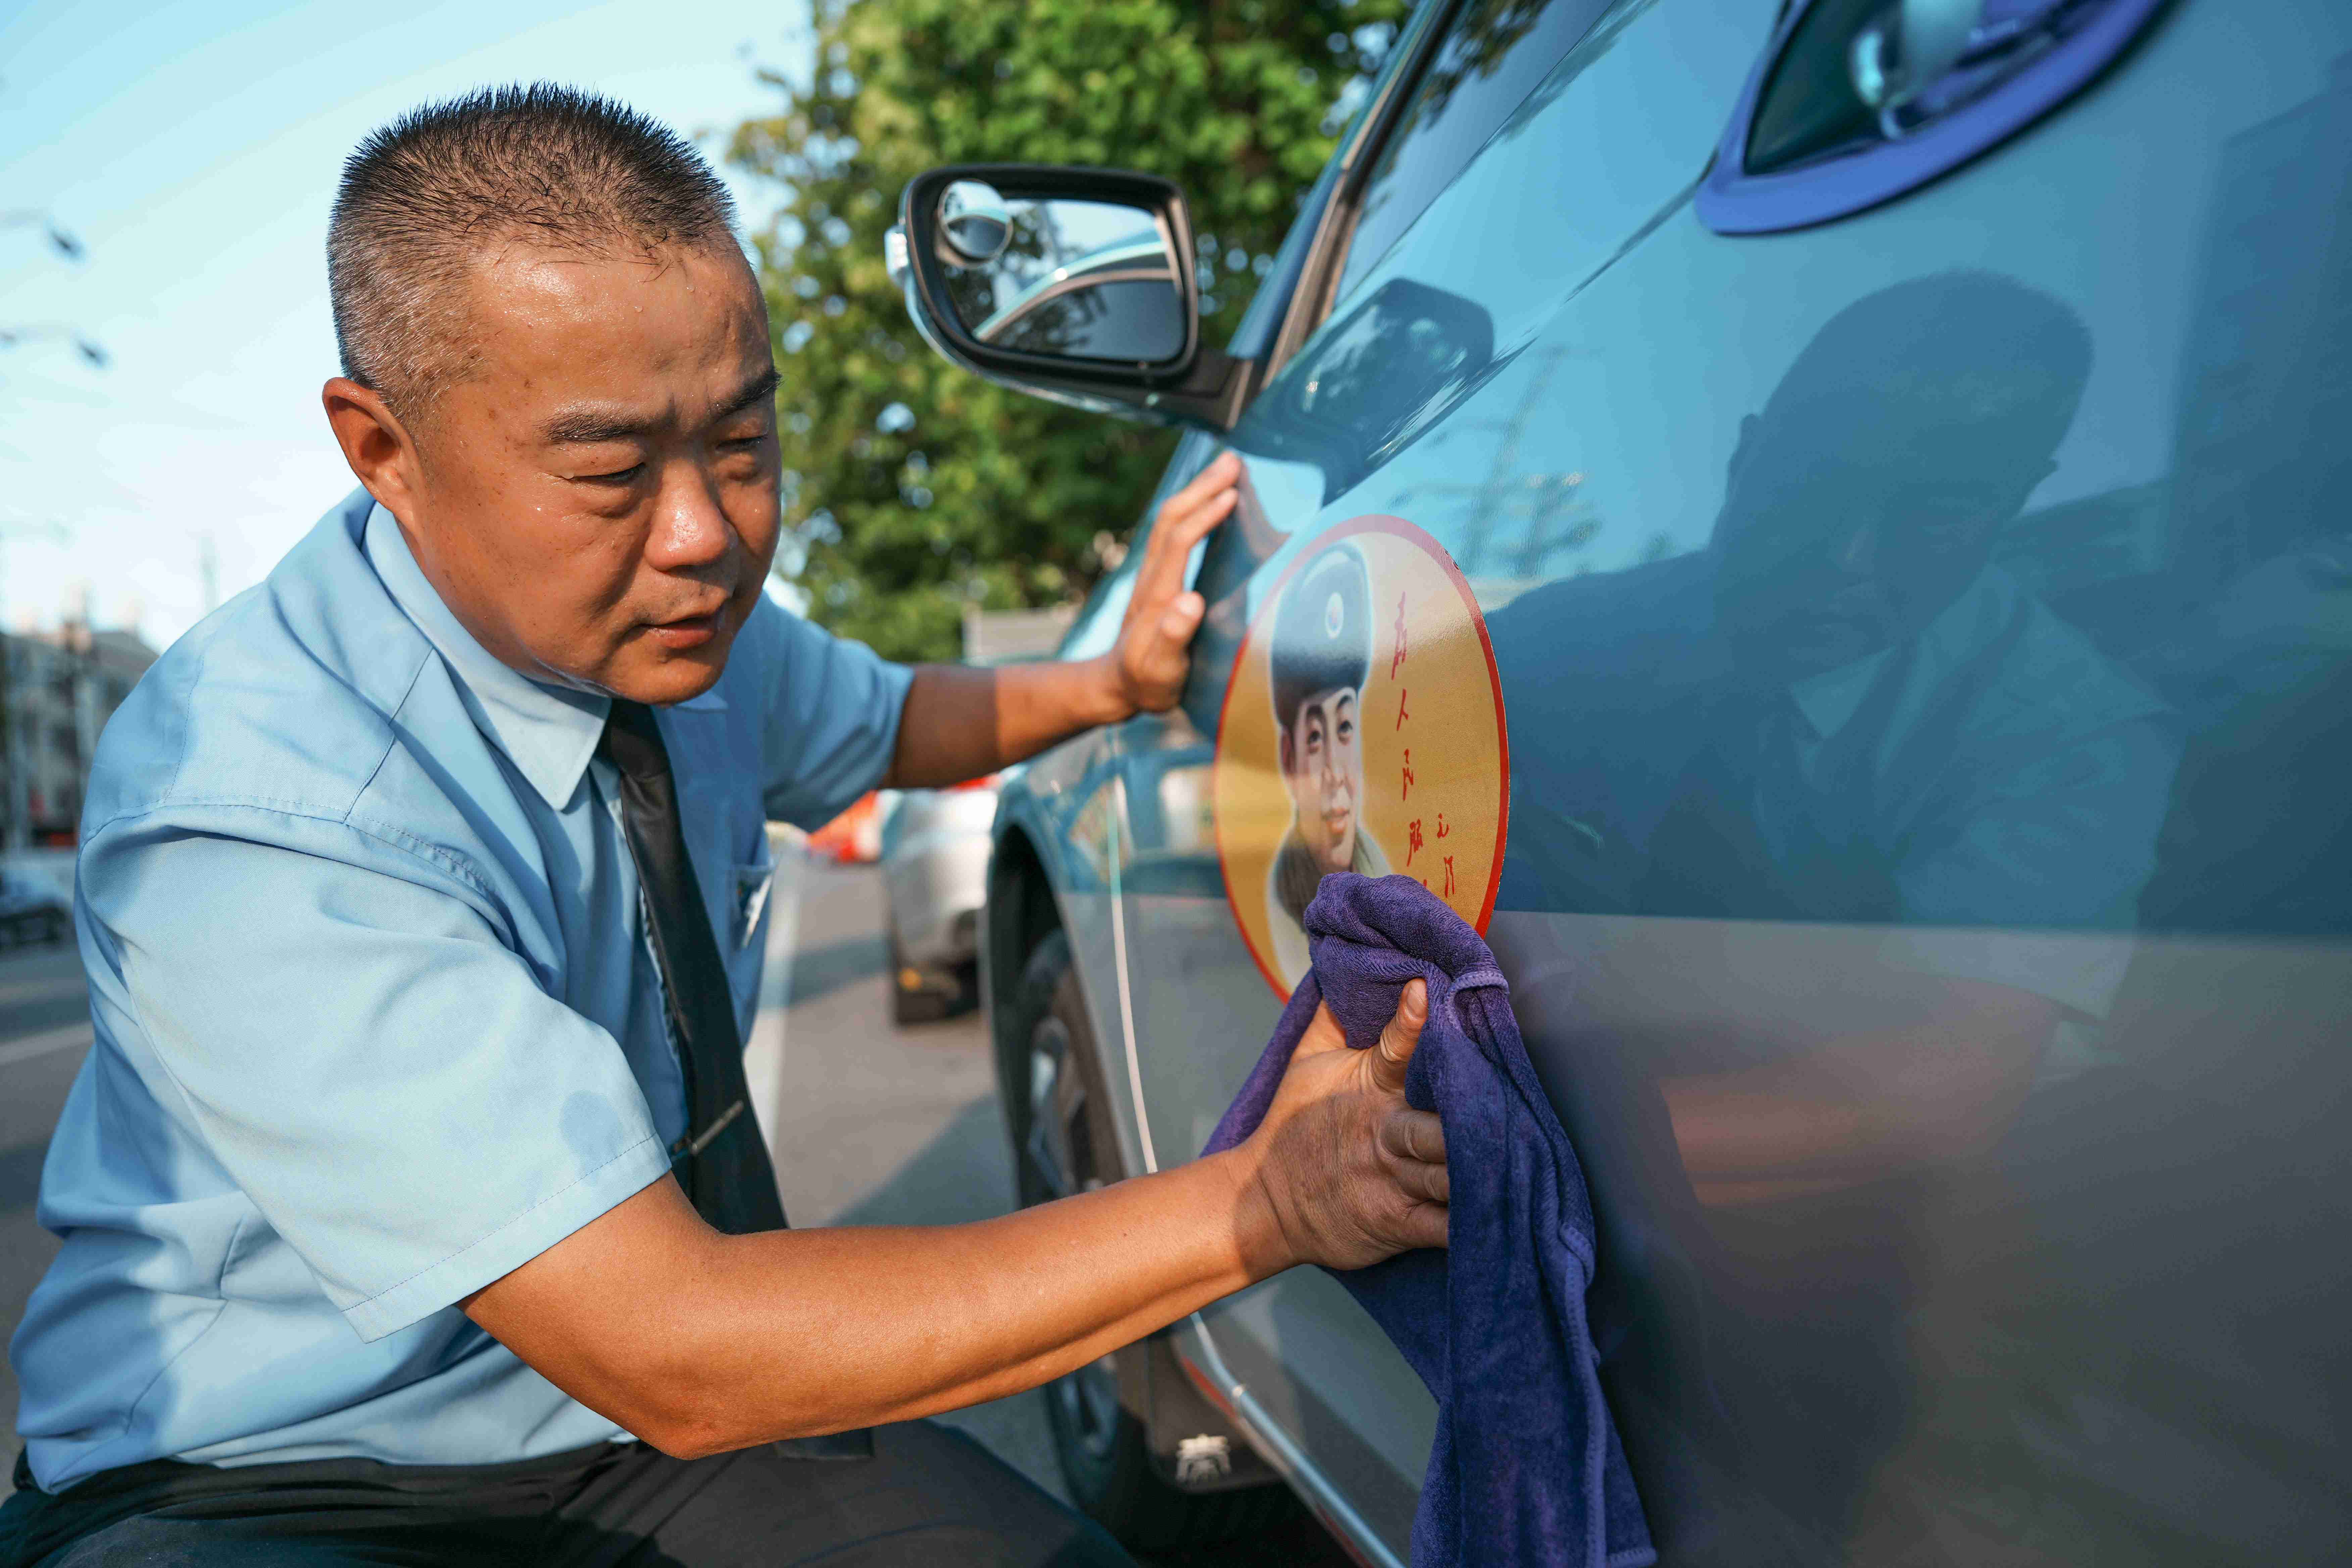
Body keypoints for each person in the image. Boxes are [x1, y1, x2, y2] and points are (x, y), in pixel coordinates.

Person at [0, 87, 1449, 1568]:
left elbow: (890, 721)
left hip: (618, 1442)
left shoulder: (670, 632)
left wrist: (1111, 681)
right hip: (269, 1483)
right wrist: (1267, 1197)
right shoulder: (261, 808)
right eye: (611, 470)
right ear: (382, 450)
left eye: (743, 441)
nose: (707, 533)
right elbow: (681, 1347)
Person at [1263, 542, 1389, 984]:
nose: (1337, 772)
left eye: (1345, 729)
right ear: (1289, 761)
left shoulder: (1384, 876)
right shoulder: (1283, 901)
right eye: (1316, 739)